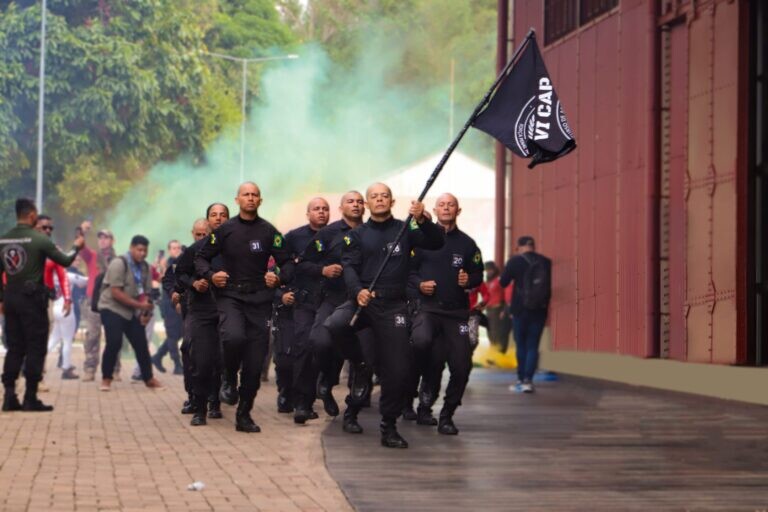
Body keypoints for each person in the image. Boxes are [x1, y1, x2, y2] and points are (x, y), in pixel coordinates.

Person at [326, 183, 444, 449]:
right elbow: (349, 268)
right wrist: (357, 291)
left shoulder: (406, 229)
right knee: (334, 325)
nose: (379, 200)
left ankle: (388, 425)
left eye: (384, 196)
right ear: (367, 204)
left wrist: (423, 219)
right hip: (363, 302)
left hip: (393, 307)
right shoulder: (357, 235)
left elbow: (437, 241)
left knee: (399, 369)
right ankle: (358, 370)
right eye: (374, 197)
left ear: (392, 202)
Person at [195, 183, 292, 433]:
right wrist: (211, 274)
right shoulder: (225, 230)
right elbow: (201, 257)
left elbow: (289, 264)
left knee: (255, 362)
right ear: (237, 200)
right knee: (233, 337)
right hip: (230, 296)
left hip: (260, 300)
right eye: (245, 195)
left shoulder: (270, 232)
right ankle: (228, 375)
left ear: (260, 200)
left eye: (254, 195)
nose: (250, 198)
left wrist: (278, 277)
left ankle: (244, 414)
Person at [408, 193, 484, 435]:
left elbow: (478, 274)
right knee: (426, 351)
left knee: (462, 366)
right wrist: (419, 285)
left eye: (451, 205)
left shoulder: (468, 244)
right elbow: (408, 272)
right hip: (428, 309)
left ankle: (447, 414)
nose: (446, 208)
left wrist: (468, 279)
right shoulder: (421, 241)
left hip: (457, 314)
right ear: (435, 209)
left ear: (458, 211)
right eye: (442, 204)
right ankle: (422, 404)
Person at [0, 198, 84, 412]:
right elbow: (65, 261)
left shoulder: (3, 239)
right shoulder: (39, 239)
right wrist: (76, 246)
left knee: (14, 348)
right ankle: (30, 397)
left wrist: (1, 299)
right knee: (35, 347)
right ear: (31, 216)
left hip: (10, 299)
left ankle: (9, 396)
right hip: (32, 301)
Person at [309, 191, 366, 423]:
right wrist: (322, 270)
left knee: (360, 354)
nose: (356, 205)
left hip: (363, 302)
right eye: (350, 201)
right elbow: (303, 262)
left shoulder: (372, 232)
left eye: (360, 201)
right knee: (320, 341)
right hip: (333, 298)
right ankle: (327, 380)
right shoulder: (328, 233)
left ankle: (351, 415)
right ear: (341, 207)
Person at [276, 197, 331, 424]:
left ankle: (322, 389)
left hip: (329, 302)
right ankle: (301, 402)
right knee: (302, 350)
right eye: (316, 209)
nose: (321, 212)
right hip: (302, 302)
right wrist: (282, 293)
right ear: (308, 214)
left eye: (325, 209)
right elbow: (282, 267)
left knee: (324, 349)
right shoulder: (293, 237)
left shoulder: (337, 235)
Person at [174, 204, 230, 426]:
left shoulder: (236, 250)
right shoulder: (196, 249)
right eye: (213, 215)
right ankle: (199, 408)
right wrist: (194, 283)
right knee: (201, 360)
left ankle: (216, 401)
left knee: (222, 358)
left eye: (223, 215)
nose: (218, 219)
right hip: (200, 310)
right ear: (208, 221)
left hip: (227, 308)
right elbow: (180, 274)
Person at [97, 235, 163, 391]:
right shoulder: (119, 263)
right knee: (114, 342)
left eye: (145, 251)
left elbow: (146, 293)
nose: (142, 253)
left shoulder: (146, 267)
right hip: (111, 307)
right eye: (139, 250)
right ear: (132, 248)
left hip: (130, 310)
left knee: (141, 343)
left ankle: (148, 378)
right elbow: (116, 292)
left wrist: (145, 313)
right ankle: (106, 379)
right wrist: (140, 305)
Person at [499, 236, 552, 393]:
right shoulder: (546, 262)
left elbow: (503, 282)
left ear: (520, 247)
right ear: (533, 246)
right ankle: (529, 380)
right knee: (533, 345)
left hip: (519, 309)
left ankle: (521, 379)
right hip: (539, 309)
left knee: (521, 344)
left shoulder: (515, 261)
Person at [79, 225, 118, 381]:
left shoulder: (118, 260)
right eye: (100, 237)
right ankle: (90, 368)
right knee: (92, 336)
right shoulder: (92, 256)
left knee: (114, 336)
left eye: (106, 237)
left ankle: (115, 369)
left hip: (113, 302)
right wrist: (82, 231)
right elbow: (80, 246)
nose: (102, 240)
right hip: (93, 301)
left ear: (112, 241)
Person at [152, 240, 184, 374]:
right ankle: (177, 364)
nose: (176, 250)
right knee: (172, 335)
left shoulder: (183, 262)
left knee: (180, 333)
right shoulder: (166, 264)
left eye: (178, 248)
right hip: (168, 304)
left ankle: (158, 356)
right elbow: (157, 279)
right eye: (173, 248)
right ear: (169, 250)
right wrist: (159, 266)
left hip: (181, 303)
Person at [484, 261, 510, 352]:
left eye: (490, 270)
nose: (488, 272)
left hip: (497, 309)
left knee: (497, 332)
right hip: (488, 310)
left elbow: (506, 294)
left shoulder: (499, 279)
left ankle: (499, 353)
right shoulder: (487, 281)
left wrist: (504, 309)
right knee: (490, 332)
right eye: (487, 270)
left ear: (494, 269)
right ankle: (493, 353)